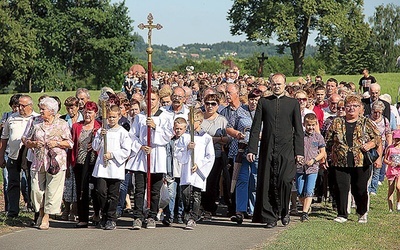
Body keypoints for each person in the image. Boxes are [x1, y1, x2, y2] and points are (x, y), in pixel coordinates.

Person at [247, 73, 304, 228]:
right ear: (270, 85)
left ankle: (284, 211)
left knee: (285, 181)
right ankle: (271, 217)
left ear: (285, 85)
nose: (277, 86)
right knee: (268, 182)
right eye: (274, 84)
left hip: (287, 149)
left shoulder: (292, 103)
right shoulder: (264, 102)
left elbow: (299, 129)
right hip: (268, 147)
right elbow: (256, 126)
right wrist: (252, 149)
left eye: (279, 84)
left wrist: (300, 152)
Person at [325, 94, 381, 223]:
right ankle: (342, 214)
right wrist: (326, 158)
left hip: (361, 161)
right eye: (348, 106)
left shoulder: (366, 122)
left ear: (360, 108)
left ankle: (362, 213)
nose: (351, 108)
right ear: (344, 107)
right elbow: (328, 141)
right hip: (340, 161)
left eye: (355, 106)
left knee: (360, 188)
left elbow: (377, 138)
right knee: (341, 188)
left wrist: (370, 145)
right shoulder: (337, 122)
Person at [127, 87, 174, 230]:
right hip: (142, 155)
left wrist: (155, 127)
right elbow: (132, 135)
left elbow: (168, 135)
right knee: (140, 188)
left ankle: (152, 216)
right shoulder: (140, 117)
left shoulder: (165, 115)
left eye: (153, 99)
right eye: (148, 99)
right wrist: (140, 146)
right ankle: (138, 216)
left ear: (158, 100)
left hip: (157, 154)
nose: (150, 102)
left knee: (155, 189)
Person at [24, 97, 73, 230]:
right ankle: (39, 212)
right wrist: (33, 143)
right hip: (38, 160)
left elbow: (70, 143)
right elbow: (26, 139)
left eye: (43, 109)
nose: (40, 111)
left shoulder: (62, 124)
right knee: (36, 190)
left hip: (56, 162)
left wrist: (56, 143)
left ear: (51, 111)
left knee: (52, 192)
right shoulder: (35, 122)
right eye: (40, 108)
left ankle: (45, 216)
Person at [92, 105, 131, 230]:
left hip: (115, 166)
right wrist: (99, 137)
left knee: (113, 194)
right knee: (101, 191)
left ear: (119, 117)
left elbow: (126, 150)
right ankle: (104, 213)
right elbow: (95, 147)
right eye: (109, 117)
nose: (111, 119)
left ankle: (111, 218)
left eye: (114, 117)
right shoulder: (102, 130)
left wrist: (112, 155)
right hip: (102, 167)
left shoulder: (123, 133)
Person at [174, 111, 215, 229]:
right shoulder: (184, 137)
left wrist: (199, 165)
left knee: (196, 194)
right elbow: (178, 152)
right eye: (189, 122)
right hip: (187, 169)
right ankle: (187, 212)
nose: (190, 124)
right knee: (185, 194)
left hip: (198, 170)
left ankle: (193, 217)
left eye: (193, 122)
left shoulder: (206, 138)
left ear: (200, 122)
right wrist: (187, 148)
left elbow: (210, 156)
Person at [0, 95, 38, 218]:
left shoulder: (36, 118)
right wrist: (1, 157)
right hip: (13, 155)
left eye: (23, 105)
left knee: (31, 182)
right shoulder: (11, 118)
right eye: (19, 105)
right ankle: (12, 211)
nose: (20, 108)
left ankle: (34, 208)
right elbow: (4, 138)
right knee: (12, 183)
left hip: (30, 156)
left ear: (30, 106)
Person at [230, 89, 262, 224]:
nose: (253, 102)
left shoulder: (265, 112)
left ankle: (253, 210)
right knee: (242, 179)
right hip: (242, 150)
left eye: (256, 99)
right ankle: (240, 211)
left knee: (255, 180)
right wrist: (237, 134)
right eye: (251, 99)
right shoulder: (240, 111)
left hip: (259, 151)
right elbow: (229, 127)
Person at [69, 101, 101, 228]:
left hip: (95, 163)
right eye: (85, 112)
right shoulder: (77, 126)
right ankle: (83, 218)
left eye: (90, 112)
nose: (87, 114)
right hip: (80, 163)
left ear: (95, 113)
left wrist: (94, 146)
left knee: (96, 190)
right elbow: (72, 145)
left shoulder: (99, 127)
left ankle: (97, 214)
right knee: (81, 190)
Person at [200, 93, 229, 221]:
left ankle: (209, 208)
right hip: (199, 156)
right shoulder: (199, 118)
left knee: (212, 182)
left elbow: (228, 138)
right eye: (207, 103)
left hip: (215, 155)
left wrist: (215, 139)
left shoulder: (222, 120)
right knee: (200, 181)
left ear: (218, 105)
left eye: (213, 104)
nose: (210, 106)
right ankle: (199, 206)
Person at [296, 113, 326, 222]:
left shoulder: (318, 137)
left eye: (313, 125)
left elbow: (322, 153)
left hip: (312, 168)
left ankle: (304, 213)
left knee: (309, 190)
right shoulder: (299, 136)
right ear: (304, 124)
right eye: (308, 125)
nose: (311, 127)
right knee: (300, 192)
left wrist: (314, 160)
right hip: (299, 167)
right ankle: (307, 206)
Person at [60, 96, 83, 221]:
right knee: (67, 183)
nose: (70, 111)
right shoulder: (63, 120)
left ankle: (75, 209)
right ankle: (66, 208)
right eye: (67, 108)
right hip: (65, 155)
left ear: (78, 107)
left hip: (79, 154)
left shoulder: (83, 119)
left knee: (78, 183)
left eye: (72, 108)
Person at [0, 94, 22, 213]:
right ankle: (9, 207)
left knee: (24, 182)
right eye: (14, 107)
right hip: (8, 152)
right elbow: (3, 136)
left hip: (22, 153)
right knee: (8, 181)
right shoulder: (7, 116)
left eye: (18, 106)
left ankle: (28, 203)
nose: (17, 109)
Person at [367, 101, 392, 195]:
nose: (377, 114)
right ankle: (367, 185)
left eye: (379, 112)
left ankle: (373, 188)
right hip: (368, 146)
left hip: (380, 146)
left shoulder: (385, 121)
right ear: (371, 110)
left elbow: (388, 134)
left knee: (377, 167)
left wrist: (388, 147)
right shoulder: (366, 119)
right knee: (368, 167)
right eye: (375, 112)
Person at [383, 129, 400, 212]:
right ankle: (390, 208)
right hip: (391, 171)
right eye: (395, 139)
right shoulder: (390, 148)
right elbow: (385, 159)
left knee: (398, 187)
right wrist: (390, 163)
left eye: (398, 139)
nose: (397, 141)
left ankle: (398, 203)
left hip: (399, 171)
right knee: (391, 189)